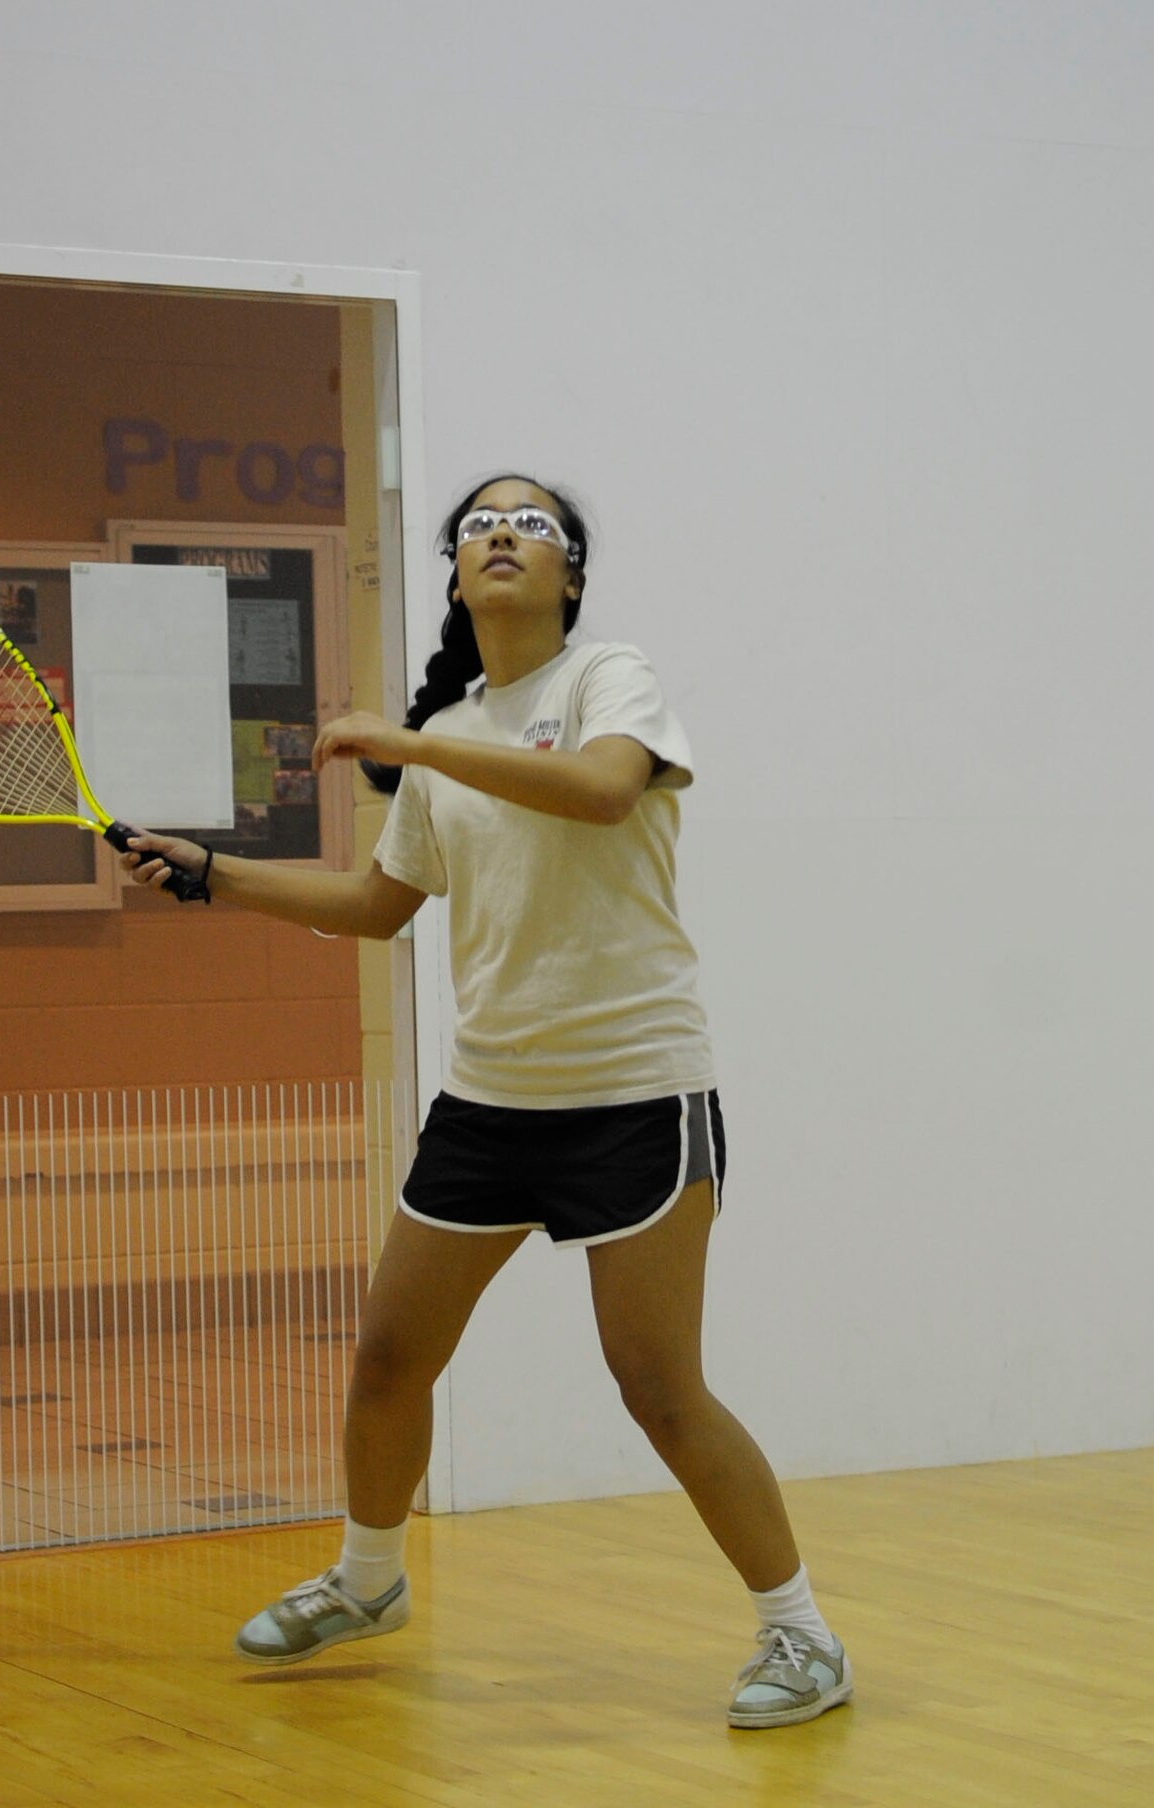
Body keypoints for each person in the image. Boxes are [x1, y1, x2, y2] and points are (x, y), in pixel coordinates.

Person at [122, 473, 853, 1730]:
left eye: (532, 526)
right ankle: (365, 1581)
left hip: (633, 1090)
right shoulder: (452, 735)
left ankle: (802, 1635)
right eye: (477, 527)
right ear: (456, 576)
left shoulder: (604, 679)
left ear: (569, 575)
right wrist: (213, 873)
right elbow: (375, 906)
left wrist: (405, 747)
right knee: (388, 1355)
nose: (502, 535)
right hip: (489, 1102)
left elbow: (605, 787)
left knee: (657, 1385)